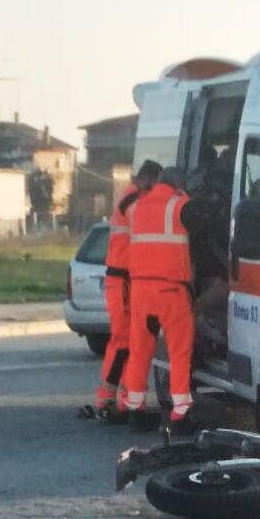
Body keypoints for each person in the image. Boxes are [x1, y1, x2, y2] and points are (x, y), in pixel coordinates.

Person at [122, 166, 203, 429]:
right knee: (179, 351)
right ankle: (180, 412)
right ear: (179, 184)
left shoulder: (138, 207)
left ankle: (134, 408)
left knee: (139, 350)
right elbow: (202, 224)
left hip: (140, 290)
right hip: (170, 290)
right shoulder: (180, 205)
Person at [94, 160, 162, 417]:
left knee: (133, 341)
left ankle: (124, 399)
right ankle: (107, 399)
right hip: (122, 278)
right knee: (123, 339)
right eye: (156, 185)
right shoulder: (133, 201)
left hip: (127, 278)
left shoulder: (132, 198)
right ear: (148, 179)